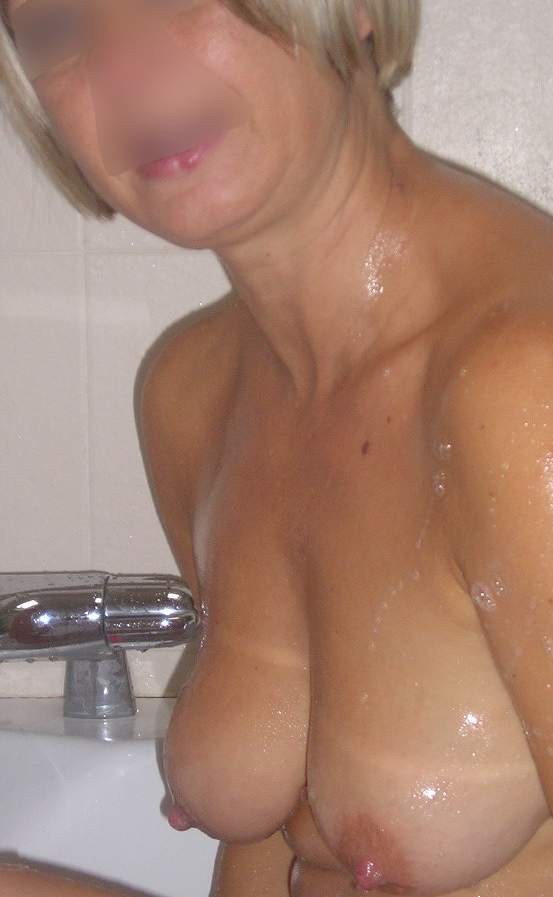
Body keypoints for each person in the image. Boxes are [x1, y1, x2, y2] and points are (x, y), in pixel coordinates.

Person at [2, 0, 553, 895]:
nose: (122, 70)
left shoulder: (525, 387)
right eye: (58, 26)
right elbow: (267, 854)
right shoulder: (193, 394)